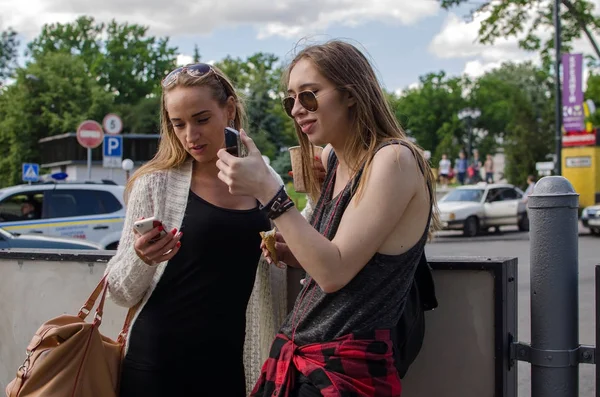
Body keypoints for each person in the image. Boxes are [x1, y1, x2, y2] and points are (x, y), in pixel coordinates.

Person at [216, 40, 439, 397]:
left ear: (351, 93)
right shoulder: (335, 158)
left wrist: (269, 193)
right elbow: (336, 257)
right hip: (303, 359)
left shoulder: (394, 159)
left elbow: (334, 272)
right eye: (290, 100)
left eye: (309, 95)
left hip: (345, 372)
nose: (297, 110)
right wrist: (293, 252)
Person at [104, 63, 287, 396]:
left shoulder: (265, 178)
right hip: (156, 365)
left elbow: (301, 238)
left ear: (229, 109)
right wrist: (141, 259)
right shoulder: (154, 184)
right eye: (178, 124)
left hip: (232, 365)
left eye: (201, 119)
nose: (191, 135)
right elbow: (118, 291)